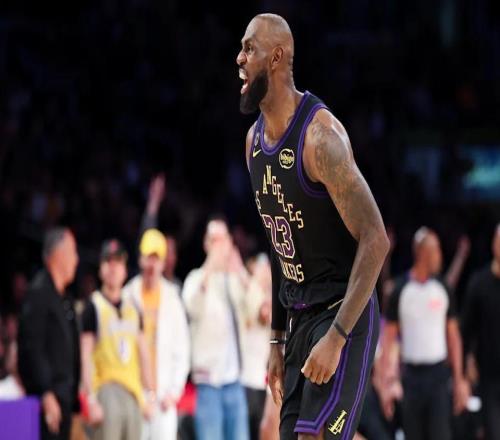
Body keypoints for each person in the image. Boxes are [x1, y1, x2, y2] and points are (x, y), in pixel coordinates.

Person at [237, 13, 389, 439]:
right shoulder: (253, 144)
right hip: (299, 317)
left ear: (276, 57)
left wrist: (337, 336)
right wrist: (275, 339)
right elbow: (279, 243)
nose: (240, 58)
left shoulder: (321, 139)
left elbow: (376, 240)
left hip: (343, 310)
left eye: (249, 48)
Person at [379, 227, 469, 440]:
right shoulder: (400, 290)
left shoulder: (443, 289)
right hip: (410, 377)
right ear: (422, 253)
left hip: (438, 376)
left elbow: (454, 338)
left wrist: (459, 379)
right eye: (435, 250)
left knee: (440, 434)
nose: (440, 255)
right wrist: (386, 384)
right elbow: (388, 340)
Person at [182, 219, 250, 440]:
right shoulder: (195, 278)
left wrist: (239, 269)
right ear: (206, 244)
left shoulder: (234, 279)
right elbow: (192, 306)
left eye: (223, 240)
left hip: (235, 380)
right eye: (214, 240)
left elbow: (256, 309)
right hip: (208, 381)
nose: (219, 246)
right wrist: (211, 266)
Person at [80, 239, 155, 440]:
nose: (113, 268)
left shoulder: (133, 308)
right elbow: (85, 355)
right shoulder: (93, 306)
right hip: (106, 389)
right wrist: (91, 399)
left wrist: (150, 394)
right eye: (108, 262)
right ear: (101, 269)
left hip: (133, 392)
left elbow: (144, 354)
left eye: (118, 262)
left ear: (124, 269)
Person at [123, 229, 190, 440]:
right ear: (140, 260)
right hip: (136, 395)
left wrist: (174, 391)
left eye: (156, 259)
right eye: (148, 258)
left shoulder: (172, 298)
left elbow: (182, 348)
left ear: (163, 262)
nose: (152, 265)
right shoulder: (128, 295)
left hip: (163, 398)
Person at [17, 227, 80, 440]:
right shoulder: (38, 293)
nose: (77, 260)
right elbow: (32, 348)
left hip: (65, 399)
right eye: (73, 252)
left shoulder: (64, 298)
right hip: (47, 403)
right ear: (58, 254)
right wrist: (45, 392)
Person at [462, 224, 500, 439]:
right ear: (494, 244)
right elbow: (466, 329)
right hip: (489, 375)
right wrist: (466, 362)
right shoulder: (479, 283)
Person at [242, 254, 272, 440]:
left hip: (263, 380)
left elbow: (267, 315)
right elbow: (261, 313)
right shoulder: (249, 292)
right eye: (261, 267)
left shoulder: (270, 294)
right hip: (246, 379)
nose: (265, 271)